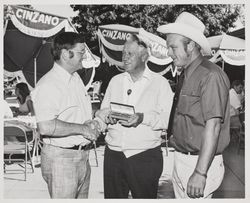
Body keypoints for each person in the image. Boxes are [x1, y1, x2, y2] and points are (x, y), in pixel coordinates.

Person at [157, 12, 230, 198]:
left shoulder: (210, 75)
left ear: (190, 45)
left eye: (173, 47)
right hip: (182, 159)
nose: (168, 53)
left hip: (199, 163)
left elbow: (213, 127)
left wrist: (200, 173)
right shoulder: (186, 73)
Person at [95, 34, 173, 198]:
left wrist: (142, 118)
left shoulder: (160, 84)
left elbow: (166, 120)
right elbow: (103, 112)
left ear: (144, 56)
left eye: (130, 54)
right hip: (113, 155)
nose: (124, 58)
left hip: (144, 157)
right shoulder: (115, 81)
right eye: (123, 53)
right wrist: (104, 117)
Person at [31, 32, 100, 199]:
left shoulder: (75, 79)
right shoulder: (49, 84)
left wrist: (93, 121)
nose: (84, 56)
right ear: (65, 54)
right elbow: (45, 126)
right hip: (61, 160)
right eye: (81, 52)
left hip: (82, 157)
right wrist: (83, 129)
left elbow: (74, 115)